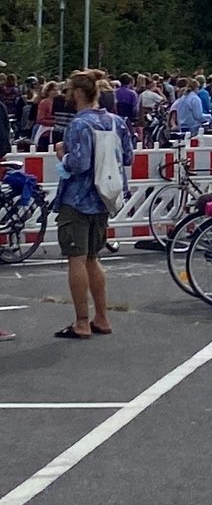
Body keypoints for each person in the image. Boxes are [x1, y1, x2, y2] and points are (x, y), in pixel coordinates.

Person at [52, 73, 131, 340]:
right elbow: (128, 156)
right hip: (104, 197)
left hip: (78, 198)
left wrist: (63, 155)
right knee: (93, 258)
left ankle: (82, 322)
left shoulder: (79, 124)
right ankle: (102, 317)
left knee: (76, 258)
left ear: (77, 93)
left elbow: (79, 164)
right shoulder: (115, 122)